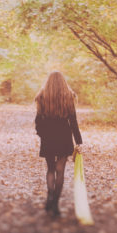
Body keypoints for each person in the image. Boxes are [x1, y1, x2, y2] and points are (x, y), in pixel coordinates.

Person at [34, 71, 83, 217]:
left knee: (50, 169)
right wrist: (78, 141)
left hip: (48, 137)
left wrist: (41, 134)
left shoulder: (42, 96)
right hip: (64, 136)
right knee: (60, 170)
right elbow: (73, 121)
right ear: (63, 81)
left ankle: (49, 197)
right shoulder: (68, 96)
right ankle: (55, 203)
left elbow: (38, 120)